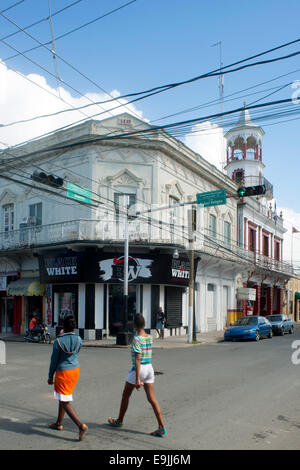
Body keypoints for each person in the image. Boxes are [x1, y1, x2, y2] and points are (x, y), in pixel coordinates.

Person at [107, 313, 166, 437]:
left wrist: (138, 379)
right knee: (152, 399)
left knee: (125, 396)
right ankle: (161, 427)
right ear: (144, 324)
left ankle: (119, 420)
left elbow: (137, 359)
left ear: (134, 325)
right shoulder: (150, 337)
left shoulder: (136, 339)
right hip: (149, 368)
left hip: (138, 370)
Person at [47, 314, 88, 441]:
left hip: (63, 372)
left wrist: (50, 376)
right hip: (75, 371)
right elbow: (76, 353)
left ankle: (80, 426)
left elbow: (54, 361)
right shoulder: (79, 339)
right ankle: (59, 423)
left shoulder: (58, 341)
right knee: (62, 396)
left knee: (64, 401)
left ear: (63, 326)